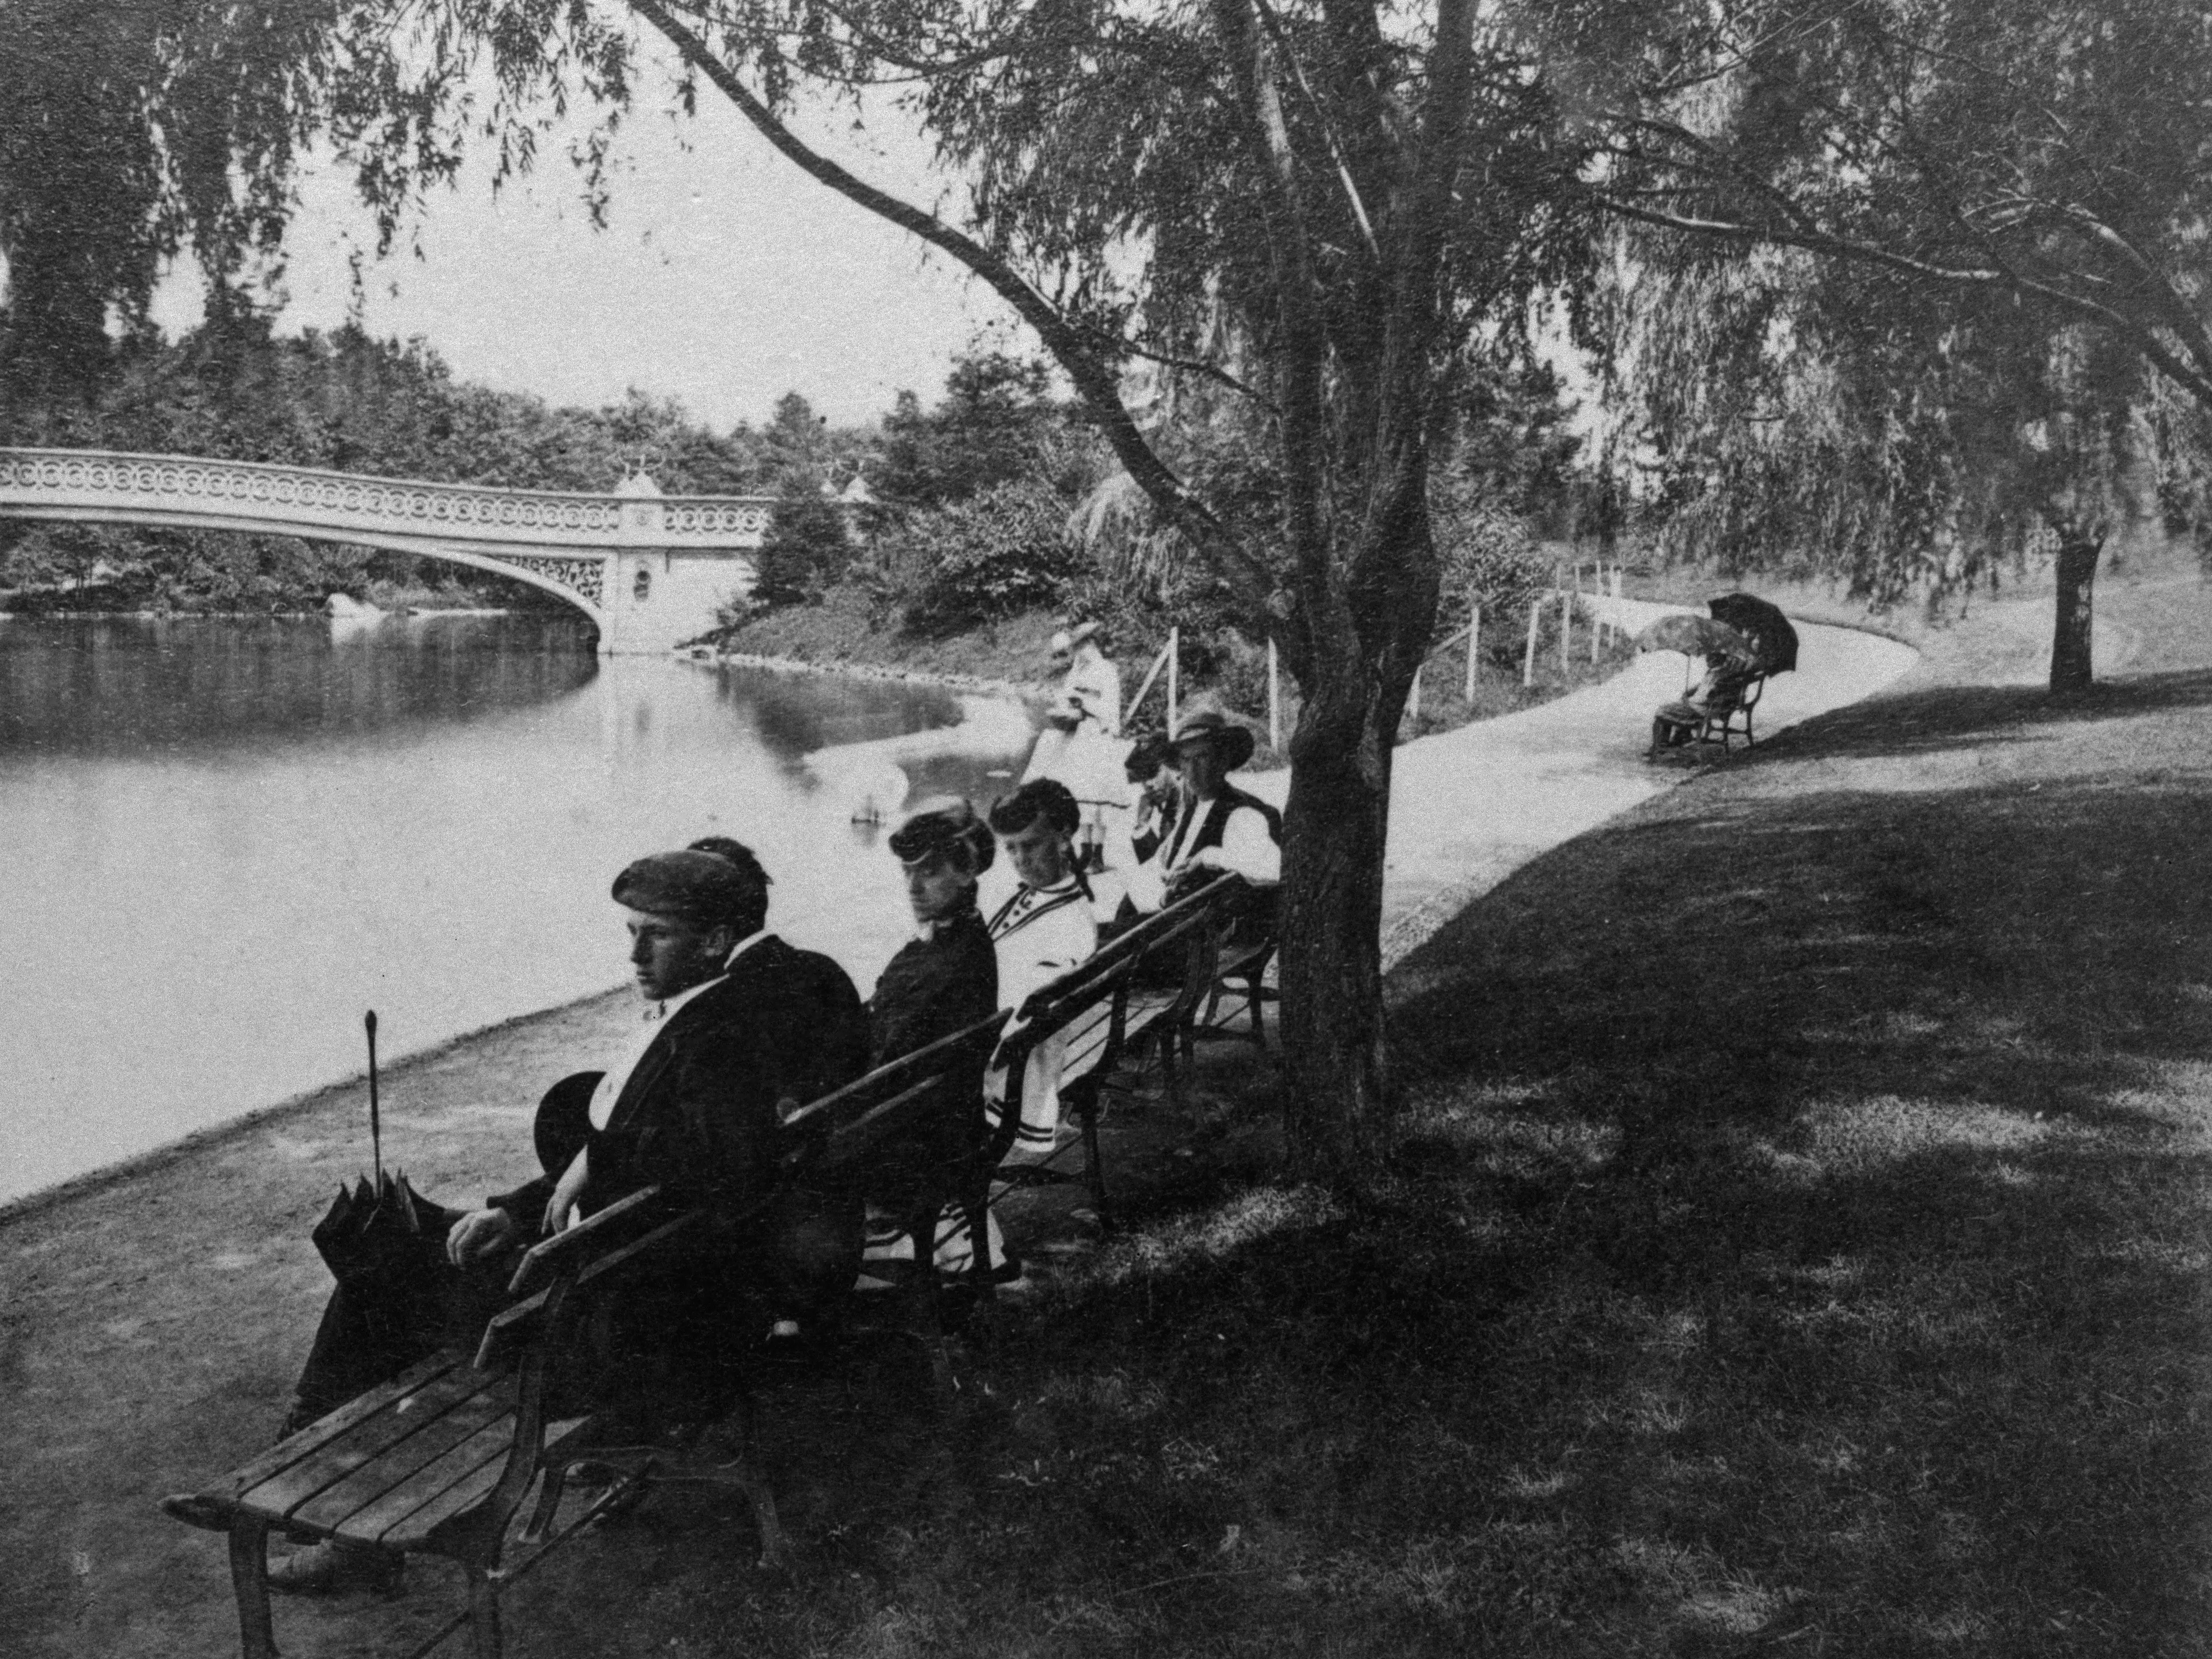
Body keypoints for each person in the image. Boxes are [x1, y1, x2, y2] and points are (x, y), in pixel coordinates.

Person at [262, 847, 868, 1593]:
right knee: (399, 1251)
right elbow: (665, 1155)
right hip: (641, 1300)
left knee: (377, 1278)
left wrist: (589, 1170)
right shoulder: (711, 1017)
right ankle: (303, 1479)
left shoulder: (716, 1039)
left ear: (714, 942)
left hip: (622, 1339)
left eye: (658, 934)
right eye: (631, 931)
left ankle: (310, 1500)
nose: (636, 953)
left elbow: (704, 1167)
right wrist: (523, 1212)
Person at [856, 798, 1003, 1283]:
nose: (914, 887)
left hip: (915, 1139)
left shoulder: (948, 961)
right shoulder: (961, 942)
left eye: (930, 872)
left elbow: (892, 1054)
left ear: (967, 872)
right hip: (942, 1121)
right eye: (907, 873)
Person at [981, 780, 1100, 1160]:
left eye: (1029, 845)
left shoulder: (1071, 922)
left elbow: (1020, 1018)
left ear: (1064, 839)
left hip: (1017, 1067)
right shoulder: (1040, 896)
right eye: (1011, 848)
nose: (1019, 859)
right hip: (1004, 1034)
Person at [1134, 707, 1282, 908]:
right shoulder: (1193, 811)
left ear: (1223, 760)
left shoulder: (1243, 814)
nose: (1193, 770)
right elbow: (1158, 865)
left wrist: (1209, 855)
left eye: (1202, 758)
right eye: (1186, 760)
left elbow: (1270, 871)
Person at [1022, 622, 1126, 863]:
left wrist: (1085, 704)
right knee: (1080, 791)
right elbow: (1067, 697)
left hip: (1099, 733)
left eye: (1081, 646)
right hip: (1080, 733)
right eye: (1076, 647)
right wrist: (1067, 704)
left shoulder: (1107, 670)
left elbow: (1111, 709)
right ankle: (1086, 849)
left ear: (1091, 644)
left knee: (1099, 794)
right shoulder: (1079, 671)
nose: (1078, 652)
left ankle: (1098, 854)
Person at [1650, 650, 1761, 752]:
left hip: (1702, 710)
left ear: (1714, 660)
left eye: (1709, 658)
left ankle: (1660, 746)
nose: (1706, 660)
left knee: (1662, 711)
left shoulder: (1721, 677)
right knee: (1670, 709)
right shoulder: (1716, 673)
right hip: (1702, 707)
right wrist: (1690, 692)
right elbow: (1704, 688)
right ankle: (1679, 738)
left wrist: (1689, 700)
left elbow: (1706, 698)